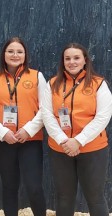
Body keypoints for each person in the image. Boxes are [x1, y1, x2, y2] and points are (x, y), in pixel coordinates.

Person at [42, 42, 112, 216]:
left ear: (85, 60)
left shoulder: (99, 84)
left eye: (76, 58)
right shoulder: (51, 84)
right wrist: (63, 141)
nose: (72, 62)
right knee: (64, 197)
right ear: (63, 61)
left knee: (95, 197)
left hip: (93, 148)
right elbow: (47, 114)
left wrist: (78, 141)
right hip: (60, 148)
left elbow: (102, 117)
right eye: (67, 58)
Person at [0, 37, 46, 216]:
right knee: (9, 186)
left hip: (30, 140)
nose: (15, 55)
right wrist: (3, 132)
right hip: (3, 140)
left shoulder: (37, 76)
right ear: (4, 54)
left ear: (25, 55)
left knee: (34, 187)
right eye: (11, 51)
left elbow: (46, 109)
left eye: (19, 51)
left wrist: (28, 130)